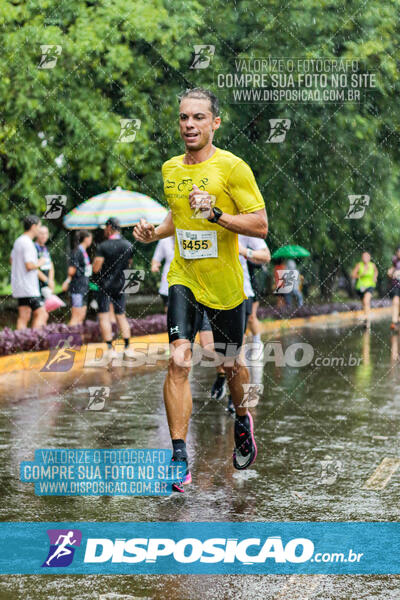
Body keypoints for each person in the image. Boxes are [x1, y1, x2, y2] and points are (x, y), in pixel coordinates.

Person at [133, 87, 268, 492]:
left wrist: (219, 214)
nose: (189, 125)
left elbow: (260, 225)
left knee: (230, 367)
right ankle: (178, 455)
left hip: (226, 287)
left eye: (198, 118)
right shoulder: (171, 169)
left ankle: (243, 420)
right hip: (184, 278)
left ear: (215, 123)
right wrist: (152, 232)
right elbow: (177, 217)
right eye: (183, 118)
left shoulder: (233, 168)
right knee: (178, 361)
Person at [211, 235, 271, 405]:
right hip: (209, 294)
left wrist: (244, 251)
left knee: (238, 352)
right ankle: (222, 378)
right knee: (215, 347)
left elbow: (265, 256)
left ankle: (240, 401)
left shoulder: (242, 224)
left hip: (240, 293)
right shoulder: (201, 220)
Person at [92, 217, 134, 360]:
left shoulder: (103, 246)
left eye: (105, 227)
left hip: (105, 285)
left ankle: (110, 348)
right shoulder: (128, 244)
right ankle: (128, 346)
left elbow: (96, 268)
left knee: (104, 315)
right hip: (121, 284)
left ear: (109, 227)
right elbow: (129, 263)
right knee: (121, 315)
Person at [10, 215, 48, 329]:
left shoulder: (18, 241)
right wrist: (40, 262)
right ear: (33, 226)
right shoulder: (28, 243)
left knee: (24, 316)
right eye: (39, 227)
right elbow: (29, 265)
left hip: (19, 285)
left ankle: (22, 343)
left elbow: (11, 260)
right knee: (42, 314)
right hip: (29, 287)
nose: (39, 230)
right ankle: (34, 343)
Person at [62, 230, 93, 325]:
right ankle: (67, 338)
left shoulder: (84, 252)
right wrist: (67, 281)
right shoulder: (77, 252)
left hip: (84, 287)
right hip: (77, 287)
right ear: (86, 239)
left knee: (82, 315)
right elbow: (71, 270)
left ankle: (79, 338)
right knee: (75, 316)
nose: (91, 241)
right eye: (91, 238)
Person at [352, 251, 378, 328]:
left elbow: (376, 271)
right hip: (360, 287)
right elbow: (353, 275)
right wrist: (361, 274)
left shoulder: (372, 265)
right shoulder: (359, 265)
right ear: (362, 258)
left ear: (369, 258)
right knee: (364, 303)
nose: (365, 258)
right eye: (364, 257)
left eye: (367, 257)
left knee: (366, 301)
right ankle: (366, 317)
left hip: (370, 285)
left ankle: (367, 321)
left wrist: (375, 277)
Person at [35, 225, 55, 324]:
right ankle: (35, 337)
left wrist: (51, 281)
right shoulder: (34, 248)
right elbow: (34, 268)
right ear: (37, 234)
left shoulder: (45, 249)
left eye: (46, 233)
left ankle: (40, 337)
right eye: (41, 233)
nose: (44, 236)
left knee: (45, 313)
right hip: (36, 285)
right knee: (40, 313)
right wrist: (47, 281)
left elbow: (51, 265)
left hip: (46, 286)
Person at [151, 236, 175, 312]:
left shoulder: (188, 237)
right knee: (168, 306)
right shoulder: (164, 240)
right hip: (168, 278)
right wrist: (154, 265)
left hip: (187, 277)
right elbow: (156, 258)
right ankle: (170, 323)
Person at [387, 247, 400, 331]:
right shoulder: (395, 262)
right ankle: (394, 322)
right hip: (396, 286)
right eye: (398, 252)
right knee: (395, 302)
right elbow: (389, 273)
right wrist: (391, 274)